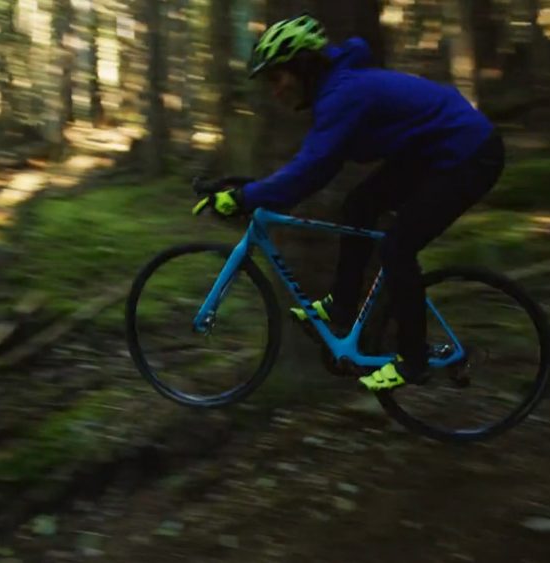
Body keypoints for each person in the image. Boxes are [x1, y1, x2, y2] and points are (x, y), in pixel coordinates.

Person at [207, 14, 505, 391]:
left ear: (302, 65)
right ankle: (343, 306)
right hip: (433, 152)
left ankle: (413, 360)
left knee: (398, 247)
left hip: (469, 154)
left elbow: (310, 169)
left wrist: (246, 197)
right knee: (359, 204)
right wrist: (254, 189)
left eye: (277, 77)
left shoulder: (343, 93)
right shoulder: (338, 91)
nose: (275, 91)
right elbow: (316, 168)